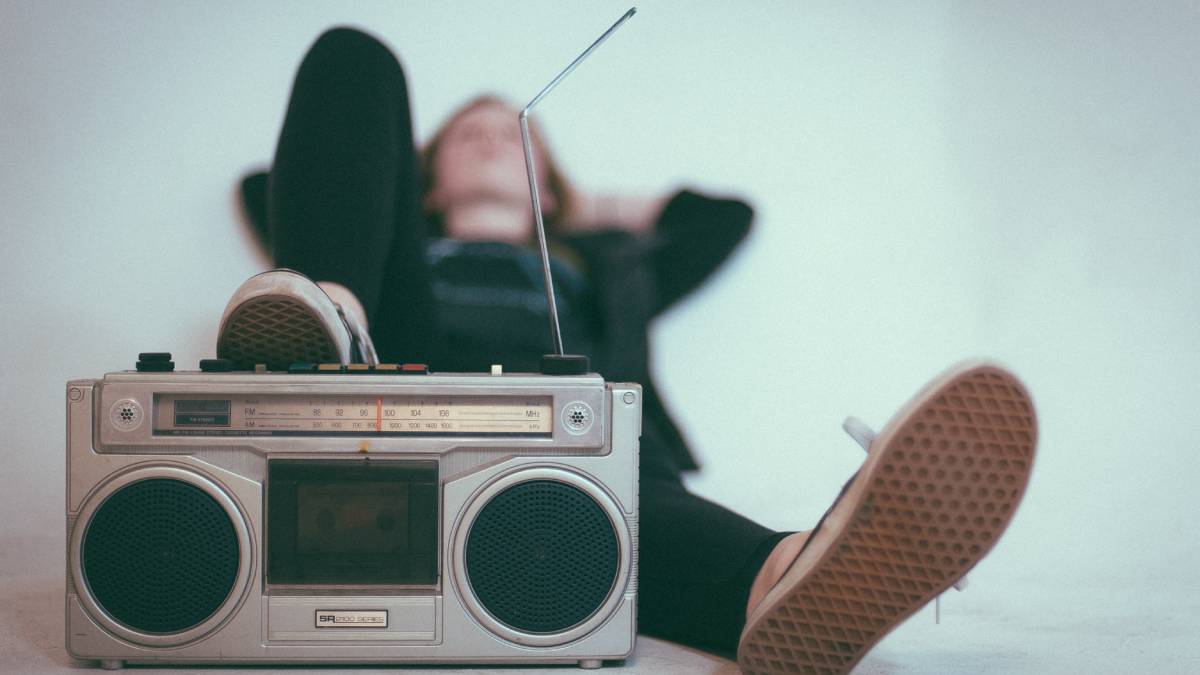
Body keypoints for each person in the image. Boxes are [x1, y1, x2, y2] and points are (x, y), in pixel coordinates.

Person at [223, 27, 1038, 674]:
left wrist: (583, 204)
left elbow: (725, 216)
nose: (486, 140)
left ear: (549, 184)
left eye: (511, 139)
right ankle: (327, 321)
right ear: (423, 179)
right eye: (464, 137)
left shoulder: (607, 266)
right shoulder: (395, 249)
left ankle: (792, 574)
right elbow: (273, 185)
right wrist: (384, 219)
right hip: (399, 396)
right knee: (355, 55)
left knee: (623, 472)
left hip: (572, 450)